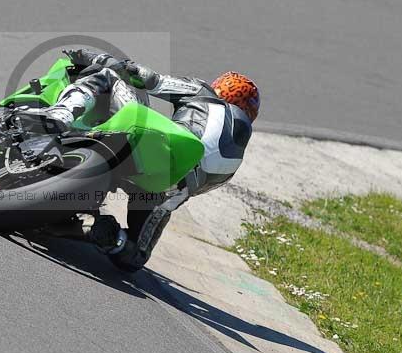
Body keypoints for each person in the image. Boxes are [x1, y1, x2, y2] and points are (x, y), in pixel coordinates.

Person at [15, 48, 260, 272]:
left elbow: (146, 77)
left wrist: (91, 57)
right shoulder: (232, 165)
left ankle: (62, 115)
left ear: (221, 90)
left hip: (156, 144)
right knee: (135, 256)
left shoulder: (203, 92)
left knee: (111, 75)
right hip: (166, 189)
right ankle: (105, 235)